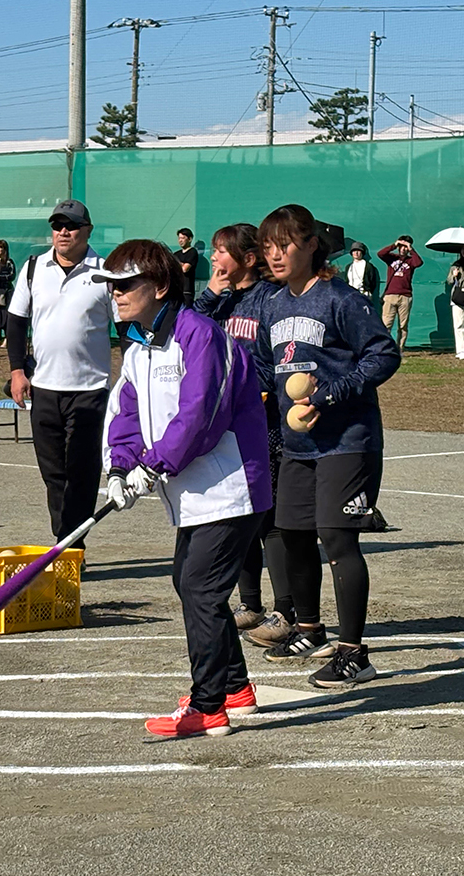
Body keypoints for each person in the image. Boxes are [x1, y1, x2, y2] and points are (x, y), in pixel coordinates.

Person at [101, 239, 272, 739]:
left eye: (125, 285)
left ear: (158, 286)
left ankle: (208, 705)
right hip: (189, 493)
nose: (117, 294)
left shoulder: (201, 335)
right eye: (112, 287)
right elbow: (126, 415)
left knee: (200, 587)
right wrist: (119, 468)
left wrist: (153, 466)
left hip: (230, 487)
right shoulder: (138, 348)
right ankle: (236, 687)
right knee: (192, 584)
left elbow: (202, 415)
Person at [255, 204, 401, 688]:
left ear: (312, 244)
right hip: (298, 444)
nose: (275, 255)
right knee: (292, 531)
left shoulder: (341, 299)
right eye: (268, 247)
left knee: (337, 539)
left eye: (285, 245)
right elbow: (261, 367)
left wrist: (334, 391)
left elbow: (383, 353)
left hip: (347, 440)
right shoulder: (273, 304)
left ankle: (355, 653)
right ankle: (311, 628)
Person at [193, 223, 291, 645]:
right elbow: (186, 336)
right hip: (228, 427)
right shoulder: (222, 299)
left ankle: (285, 611)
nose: (214, 259)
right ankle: (249, 604)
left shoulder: (269, 300)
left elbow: (278, 362)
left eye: (221, 251)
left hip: (266, 425)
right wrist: (213, 294)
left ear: (248, 259)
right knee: (240, 513)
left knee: (271, 522)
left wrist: (242, 385)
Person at [7, 200, 111, 553]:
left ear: (88, 230)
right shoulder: (34, 267)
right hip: (44, 388)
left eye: (71, 225)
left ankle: (71, 548)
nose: (63, 232)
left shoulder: (105, 270)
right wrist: (18, 370)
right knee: (54, 476)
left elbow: (126, 325)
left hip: (89, 389)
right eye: (57, 225)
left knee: (81, 474)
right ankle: (64, 540)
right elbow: (16, 321)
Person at [377, 235, 422, 352]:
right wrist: (394, 245)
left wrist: (411, 249)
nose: (403, 249)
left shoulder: (410, 261)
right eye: (401, 246)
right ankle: (384, 348)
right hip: (390, 295)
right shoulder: (392, 258)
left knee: (403, 326)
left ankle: (399, 349)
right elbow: (380, 254)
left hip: (405, 296)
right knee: (386, 324)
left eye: (405, 247)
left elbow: (419, 263)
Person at [173, 227, 198, 307]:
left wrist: (177, 264)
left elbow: (185, 269)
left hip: (187, 291)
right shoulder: (176, 254)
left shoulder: (192, 252)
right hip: (176, 290)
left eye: (183, 238)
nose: (180, 240)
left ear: (189, 239)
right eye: (179, 238)